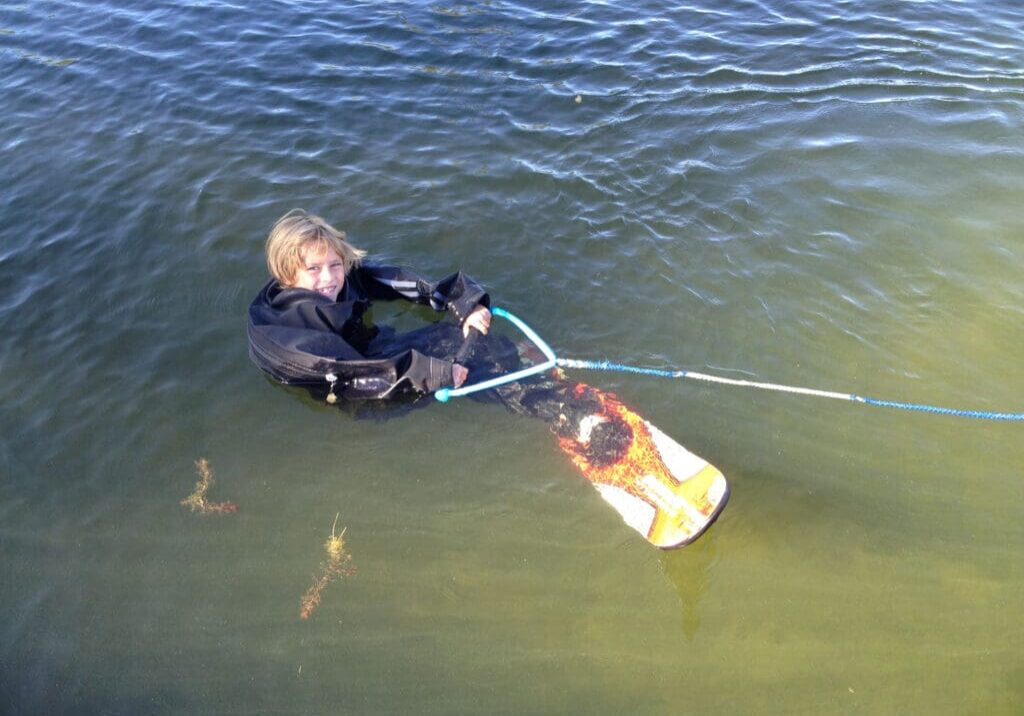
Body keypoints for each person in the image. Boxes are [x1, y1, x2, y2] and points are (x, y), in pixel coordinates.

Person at [248, 209, 513, 403]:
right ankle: (548, 409)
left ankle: (519, 370)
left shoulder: (342, 277)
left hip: (367, 351)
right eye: (313, 269)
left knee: (454, 339)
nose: (329, 278)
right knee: (456, 361)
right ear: (287, 276)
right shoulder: (284, 336)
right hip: (355, 391)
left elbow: (395, 281)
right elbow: (346, 372)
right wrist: (438, 374)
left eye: (335, 264)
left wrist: (462, 300)